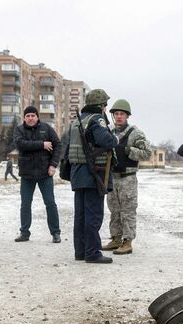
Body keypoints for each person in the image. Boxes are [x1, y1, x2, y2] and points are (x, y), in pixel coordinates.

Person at [64, 89, 117, 263]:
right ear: (101, 105)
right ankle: (93, 253)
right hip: (94, 172)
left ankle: (81, 251)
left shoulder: (78, 122)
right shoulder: (96, 120)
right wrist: (114, 137)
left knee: (80, 215)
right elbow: (107, 141)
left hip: (78, 173)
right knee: (93, 215)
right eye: (105, 105)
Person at [101, 99, 151, 255]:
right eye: (116, 114)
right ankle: (116, 238)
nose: (119, 117)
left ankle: (128, 241)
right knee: (114, 210)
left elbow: (147, 153)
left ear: (127, 115)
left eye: (122, 114)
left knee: (127, 210)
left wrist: (129, 150)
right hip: (112, 176)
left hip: (128, 177)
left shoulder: (135, 133)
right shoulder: (108, 131)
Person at [13, 106, 62, 243]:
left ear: (37, 117)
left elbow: (57, 145)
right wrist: (42, 144)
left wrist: (53, 164)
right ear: (24, 118)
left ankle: (55, 233)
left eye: (33, 116)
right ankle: (24, 232)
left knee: (50, 203)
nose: (30, 118)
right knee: (25, 204)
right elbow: (20, 144)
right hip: (27, 174)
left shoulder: (46, 128)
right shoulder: (19, 130)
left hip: (45, 172)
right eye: (27, 116)